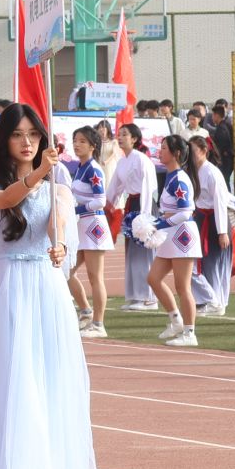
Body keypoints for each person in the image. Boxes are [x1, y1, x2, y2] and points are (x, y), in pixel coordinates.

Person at [0, 103, 95, 469]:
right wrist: (41, 171)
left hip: (47, 288)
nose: (27, 142)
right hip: (8, 287)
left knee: (48, 381)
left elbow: (60, 228)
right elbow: (9, 199)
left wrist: (61, 246)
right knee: (15, 382)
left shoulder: (58, 187)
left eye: (34, 135)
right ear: (4, 140)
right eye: (18, 135)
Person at [147, 135, 203, 347]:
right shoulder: (171, 176)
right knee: (153, 278)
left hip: (182, 235)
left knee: (182, 286)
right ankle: (176, 320)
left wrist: (160, 224)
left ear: (176, 153)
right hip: (170, 233)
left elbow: (186, 212)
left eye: (164, 148)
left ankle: (190, 333)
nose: (159, 151)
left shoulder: (180, 178)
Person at [64, 126, 110, 339]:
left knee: (95, 276)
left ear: (93, 146)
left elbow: (101, 201)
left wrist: (76, 209)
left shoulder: (93, 169)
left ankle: (99, 324)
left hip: (93, 226)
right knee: (66, 271)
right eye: (75, 140)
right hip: (80, 226)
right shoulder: (80, 168)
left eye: (82, 141)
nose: (77, 144)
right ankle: (85, 311)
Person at [107, 121, 158, 312]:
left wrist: (144, 217)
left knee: (144, 252)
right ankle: (136, 295)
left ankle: (149, 298)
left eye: (125, 135)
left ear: (134, 139)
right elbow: (115, 187)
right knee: (132, 253)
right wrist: (107, 208)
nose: (120, 138)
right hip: (131, 206)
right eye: (119, 134)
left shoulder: (142, 160)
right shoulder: (122, 161)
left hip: (144, 206)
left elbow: (148, 189)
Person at [187, 133, 232, 316]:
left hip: (214, 220)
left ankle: (217, 301)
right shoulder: (193, 171)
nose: (190, 155)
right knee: (201, 262)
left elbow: (221, 202)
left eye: (193, 151)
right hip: (200, 218)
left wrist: (222, 232)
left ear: (204, 151)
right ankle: (207, 300)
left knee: (213, 262)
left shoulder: (212, 172)